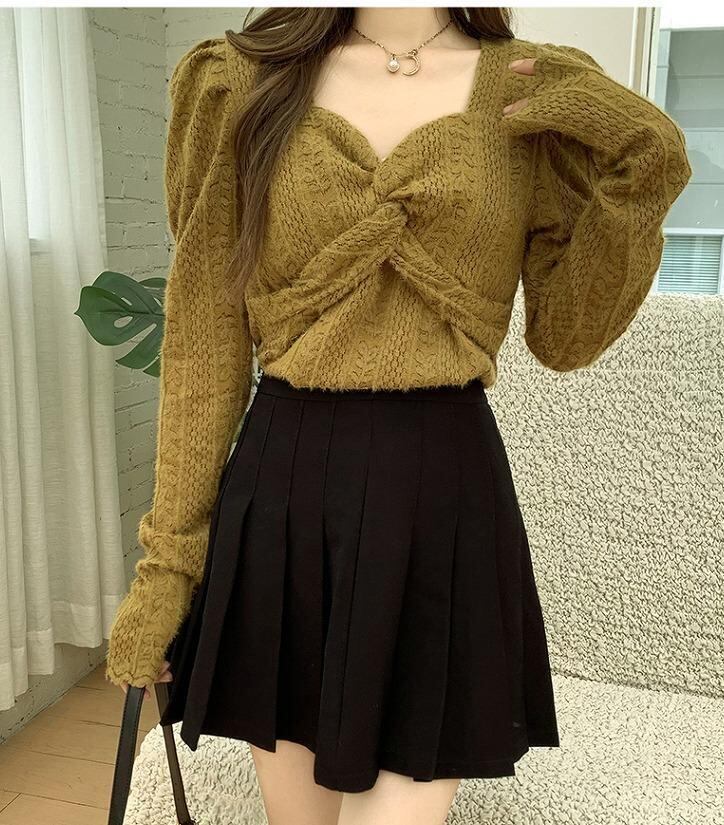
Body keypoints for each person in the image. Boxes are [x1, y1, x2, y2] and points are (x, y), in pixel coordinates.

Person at [104, 7, 691, 825]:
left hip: (443, 496)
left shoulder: (532, 89)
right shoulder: (237, 82)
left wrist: (646, 162)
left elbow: (566, 335)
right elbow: (204, 339)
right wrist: (166, 573)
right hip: (283, 494)